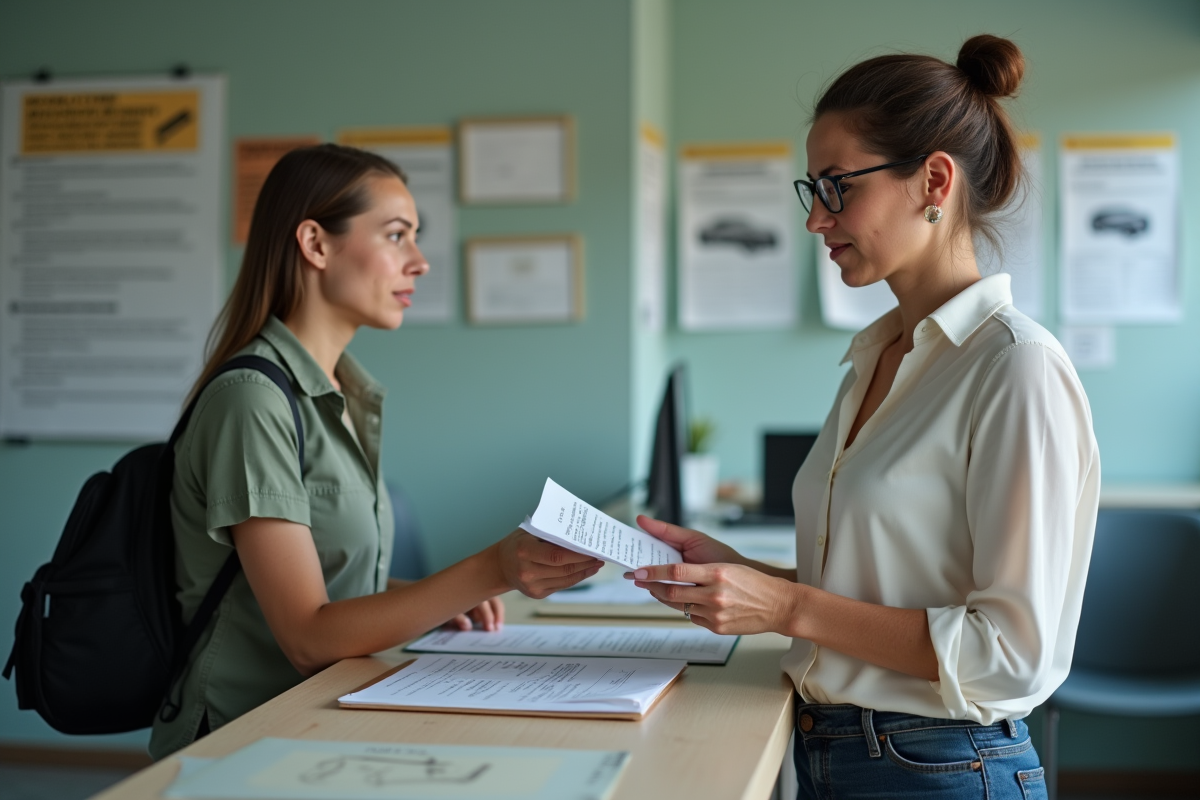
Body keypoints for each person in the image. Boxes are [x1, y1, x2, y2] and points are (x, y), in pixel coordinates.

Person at [627, 35, 1098, 800]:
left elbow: (1010, 655)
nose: (817, 219)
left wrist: (786, 605)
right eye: (812, 190)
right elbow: (875, 593)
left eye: (838, 187)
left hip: (942, 766)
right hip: (837, 753)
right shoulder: (879, 357)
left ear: (933, 180)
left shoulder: (1015, 367)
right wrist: (743, 575)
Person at [149, 144, 603, 758]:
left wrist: (428, 603)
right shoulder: (252, 401)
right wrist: (492, 570)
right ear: (316, 244)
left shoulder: (339, 391)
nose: (419, 261)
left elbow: (325, 569)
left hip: (330, 718)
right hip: (248, 740)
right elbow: (307, 637)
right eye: (395, 235)